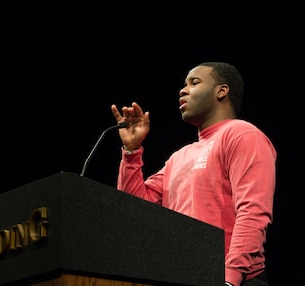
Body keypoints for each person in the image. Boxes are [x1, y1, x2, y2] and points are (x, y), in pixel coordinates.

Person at [110, 62, 276, 286]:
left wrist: (230, 278)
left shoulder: (241, 134)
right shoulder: (179, 157)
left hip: (232, 279)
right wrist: (131, 151)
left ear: (221, 91)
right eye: (184, 84)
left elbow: (253, 211)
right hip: (183, 276)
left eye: (194, 83)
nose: (183, 90)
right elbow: (135, 210)